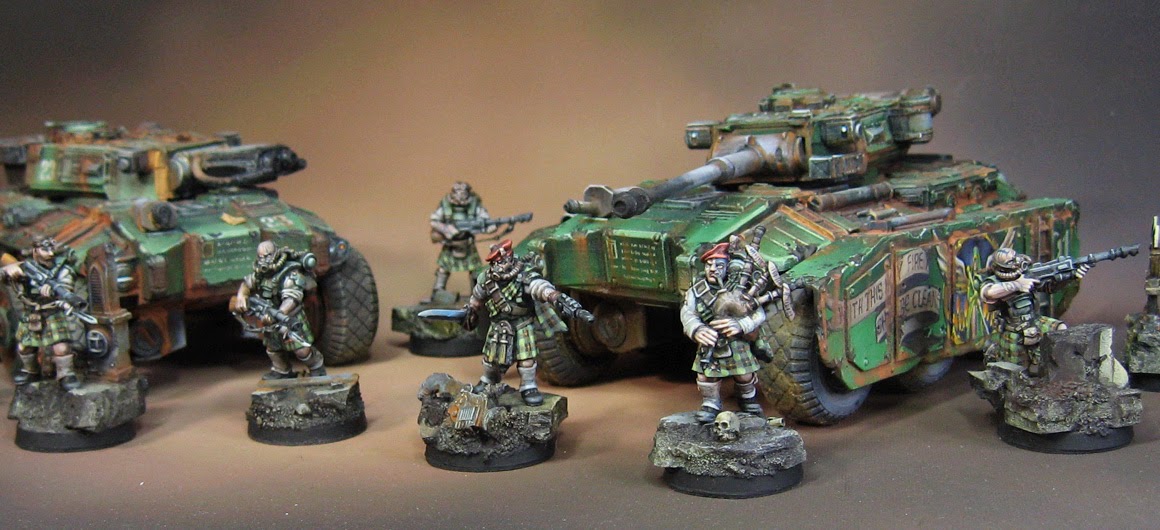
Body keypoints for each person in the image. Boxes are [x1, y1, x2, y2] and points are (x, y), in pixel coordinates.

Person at [464, 240, 592, 405]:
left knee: (527, 358)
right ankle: (488, 380)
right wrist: (471, 310)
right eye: (494, 263)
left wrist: (554, 297)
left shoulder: (525, 276)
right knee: (491, 357)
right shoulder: (487, 278)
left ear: (509, 259)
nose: (497, 266)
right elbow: (477, 296)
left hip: (522, 323)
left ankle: (528, 386)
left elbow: (539, 287)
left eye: (500, 262)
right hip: (498, 324)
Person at [682, 242, 770, 423]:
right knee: (706, 375)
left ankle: (748, 399)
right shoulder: (696, 292)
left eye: (719, 265)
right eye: (709, 265)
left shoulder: (739, 289)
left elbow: (758, 314)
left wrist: (741, 325)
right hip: (711, 340)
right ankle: (710, 403)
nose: (713, 269)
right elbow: (688, 313)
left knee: (744, 374)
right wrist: (696, 329)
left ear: (728, 266)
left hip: (736, 339)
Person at [232, 241, 326, 379]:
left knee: (301, 349)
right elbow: (247, 284)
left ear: (275, 254)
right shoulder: (261, 273)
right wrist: (242, 296)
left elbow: (292, 299)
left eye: (268, 256)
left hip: (290, 316)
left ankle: (316, 367)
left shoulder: (290, 272)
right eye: (261, 257)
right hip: (269, 316)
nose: (264, 260)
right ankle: (282, 370)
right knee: (273, 347)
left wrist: (279, 314)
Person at [0, 237, 82, 390]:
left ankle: (66, 374)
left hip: (52, 312)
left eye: (52, 249)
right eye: (45, 249)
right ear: (35, 250)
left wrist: (55, 292)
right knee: (25, 347)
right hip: (32, 312)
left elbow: (67, 287)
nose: (50, 253)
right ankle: (31, 371)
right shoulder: (26, 266)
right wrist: (9, 270)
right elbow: (4, 276)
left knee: (61, 348)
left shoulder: (62, 269)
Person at [429, 182, 493, 298]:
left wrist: (488, 227)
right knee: (444, 268)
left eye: (463, 193)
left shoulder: (474, 204)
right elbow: (434, 220)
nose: (460, 196)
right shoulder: (446, 205)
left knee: (475, 270)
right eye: (458, 193)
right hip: (451, 243)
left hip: (467, 243)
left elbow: (485, 220)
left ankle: (477, 292)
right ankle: (438, 289)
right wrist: (447, 230)